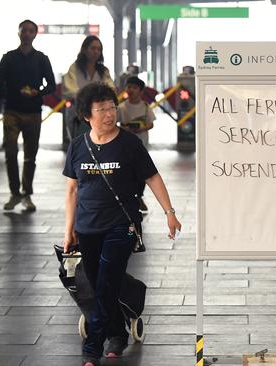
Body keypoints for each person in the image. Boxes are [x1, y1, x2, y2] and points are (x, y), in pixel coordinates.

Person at [63, 82, 181, 366]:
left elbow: (152, 177)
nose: (108, 114)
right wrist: (69, 230)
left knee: (105, 283)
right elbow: (72, 190)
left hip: (122, 223)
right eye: (101, 109)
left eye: (111, 107)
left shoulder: (129, 144)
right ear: (86, 115)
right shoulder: (79, 146)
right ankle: (117, 332)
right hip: (88, 226)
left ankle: (92, 346)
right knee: (97, 281)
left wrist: (169, 212)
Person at [0, 19, 56, 211]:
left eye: (30, 31)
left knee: (30, 155)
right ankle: (14, 193)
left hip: (33, 111)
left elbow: (51, 85)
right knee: (10, 152)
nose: (27, 34)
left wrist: (38, 92)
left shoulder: (42, 58)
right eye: (24, 30)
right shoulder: (8, 58)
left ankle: (27, 194)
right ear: (18, 33)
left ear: (35, 34)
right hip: (11, 110)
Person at [63, 35, 115, 139]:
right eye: (92, 48)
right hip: (78, 114)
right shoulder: (74, 68)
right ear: (85, 50)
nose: (96, 52)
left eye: (99, 49)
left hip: (100, 114)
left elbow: (110, 89)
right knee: (80, 142)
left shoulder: (103, 71)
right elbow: (69, 89)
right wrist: (89, 98)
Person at [119, 76, 155, 213]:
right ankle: (129, 198)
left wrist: (141, 129)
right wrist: (125, 129)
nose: (131, 90)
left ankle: (139, 196)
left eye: (134, 87)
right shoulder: (121, 107)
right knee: (126, 173)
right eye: (129, 87)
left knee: (141, 173)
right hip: (124, 146)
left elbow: (151, 124)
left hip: (142, 145)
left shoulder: (145, 107)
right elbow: (115, 124)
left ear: (141, 91)